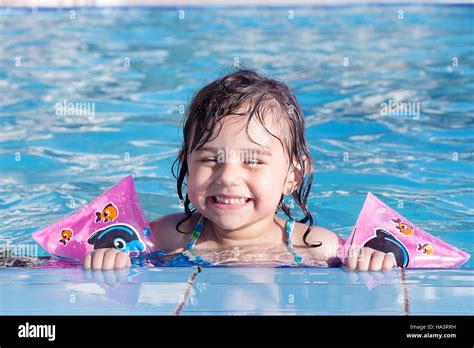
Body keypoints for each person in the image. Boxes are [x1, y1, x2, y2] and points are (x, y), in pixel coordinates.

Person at [83, 69, 396, 271]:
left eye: (254, 161)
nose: (228, 177)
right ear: (186, 166)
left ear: (293, 176)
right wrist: (109, 258)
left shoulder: (318, 248)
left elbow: (380, 267)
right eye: (209, 159)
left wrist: (371, 261)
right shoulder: (164, 237)